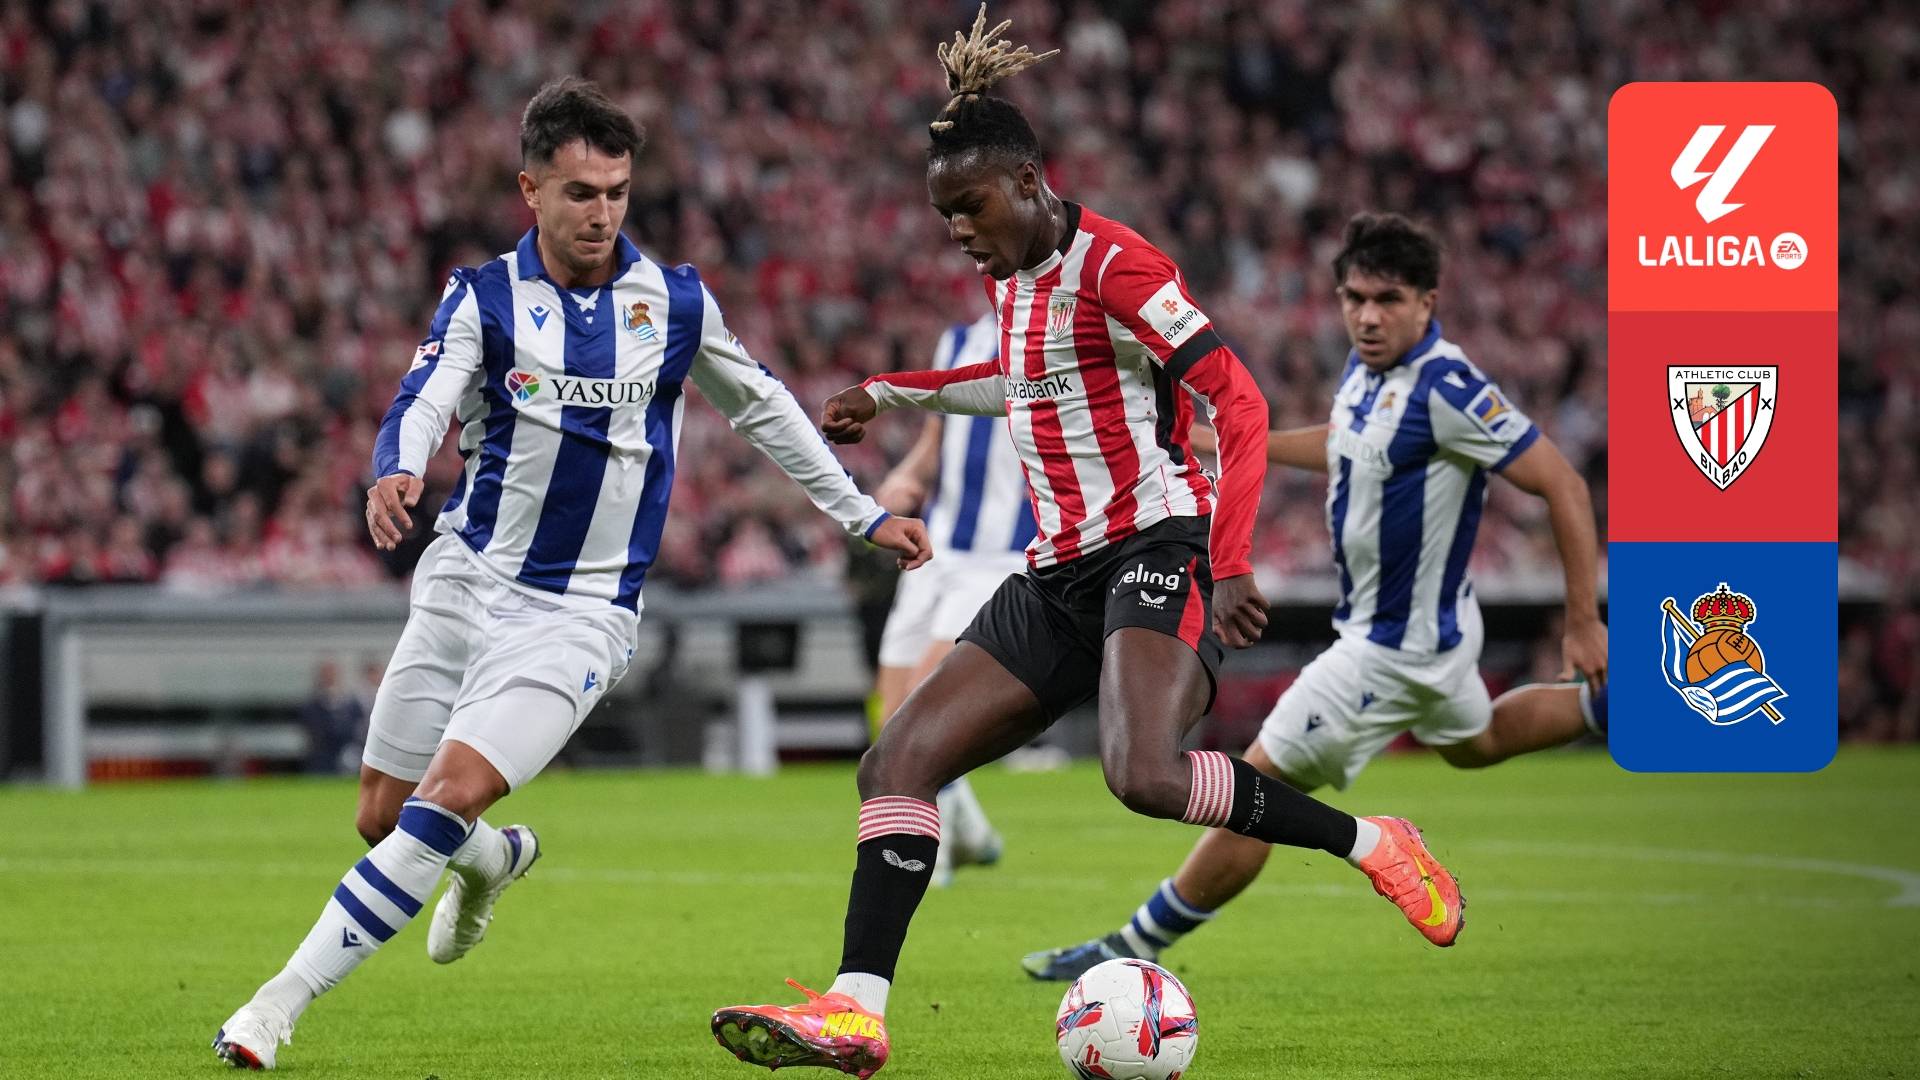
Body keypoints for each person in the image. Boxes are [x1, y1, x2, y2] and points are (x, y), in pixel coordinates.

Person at [709, 13, 1463, 1077]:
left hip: (1159, 540)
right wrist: (892, 392)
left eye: (970, 208)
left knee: (1143, 774)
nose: (958, 232)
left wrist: (1230, 557)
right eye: (944, 215)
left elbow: (1240, 404)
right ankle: (856, 1011)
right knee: (897, 759)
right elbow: (1021, 382)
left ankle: (1375, 843)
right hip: (1058, 567)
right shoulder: (1010, 268)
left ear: (1027, 181)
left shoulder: (1120, 267)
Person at [210, 77, 930, 1070]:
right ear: (531, 190)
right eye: (581, 193)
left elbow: (763, 406)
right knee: (381, 816)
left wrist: (863, 514)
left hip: (580, 615)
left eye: (617, 192)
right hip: (465, 581)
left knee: (438, 803)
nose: (602, 213)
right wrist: (398, 467)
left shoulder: (674, 302)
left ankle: (271, 1009)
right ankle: (495, 860)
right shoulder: (483, 296)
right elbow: (424, 396)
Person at [1023, 212, 1608, 981]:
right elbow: (1343, 445)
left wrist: (1582, 621)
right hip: (1433, 629)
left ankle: (1131, 945)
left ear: (1427, 303)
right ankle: (1625, 704)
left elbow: (1563, 483)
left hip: (1387, 651)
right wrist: (1226, 442)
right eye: (1354, 298)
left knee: (1253, 790)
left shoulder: (1447, 388)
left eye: (1388, 300)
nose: (1368, 316)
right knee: (1477, 742)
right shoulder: (1369, 372)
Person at [870, 309, 1033, 888]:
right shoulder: (958, 340)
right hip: (936, 547)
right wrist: (907, 477)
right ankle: (969, 831)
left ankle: (926, 847)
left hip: (1003, 554)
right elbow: (936, 437)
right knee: (891, 713)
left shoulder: (1053, 335)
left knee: (925, 698)